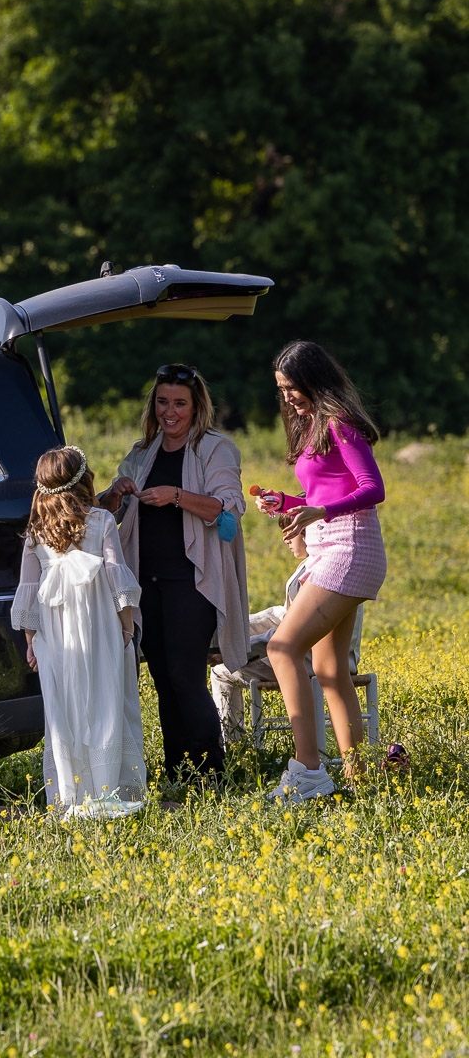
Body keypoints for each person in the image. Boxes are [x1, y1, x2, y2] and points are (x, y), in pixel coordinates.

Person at [97, 363, 249, 782]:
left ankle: (211, 771)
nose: (170, 411)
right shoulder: (143, 452)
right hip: (148, 581)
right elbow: (103, 508)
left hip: (192, 580)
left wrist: (176, 496)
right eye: (163, 402)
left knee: (185, 674)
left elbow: (226, 507)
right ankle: (178, 772)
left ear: (196, 406)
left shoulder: (215, 449)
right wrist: (115, 492)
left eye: (179, 403)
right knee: (163, 678)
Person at [252, 340, 385, 800]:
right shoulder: (312, 427)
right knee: (330, 671)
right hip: (331, 548)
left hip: (350, 550)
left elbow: (372, 489)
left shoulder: (339, 422)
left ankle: (308, 771)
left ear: (313, 380)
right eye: (281, 389)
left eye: (291, 387)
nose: (287, 396)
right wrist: (286, 503)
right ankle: (361, 782)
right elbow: (320, 498)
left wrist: (319, 511)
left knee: (282, 647)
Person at [13, 447, 147, 817]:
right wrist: (127, 627)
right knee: (106, 699)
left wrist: (31, 641)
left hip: (55, 636)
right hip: (100, 628)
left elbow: (28, 590)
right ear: (85, 480)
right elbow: (115, 576)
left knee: (65, 706)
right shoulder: (102, 521)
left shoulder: (36, 533)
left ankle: (73, 794)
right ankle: (109, 787)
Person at [209, 527, 365, 742]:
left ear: (310, 533)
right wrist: (235, 628)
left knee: (221, 670)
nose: (285, 539)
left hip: (310, 661)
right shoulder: (316, 566)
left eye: (292, 533)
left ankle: (233, 745)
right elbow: (283, 616)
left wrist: (239, 648)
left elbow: (293, 630)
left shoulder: (321, 572)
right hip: (314, 656)